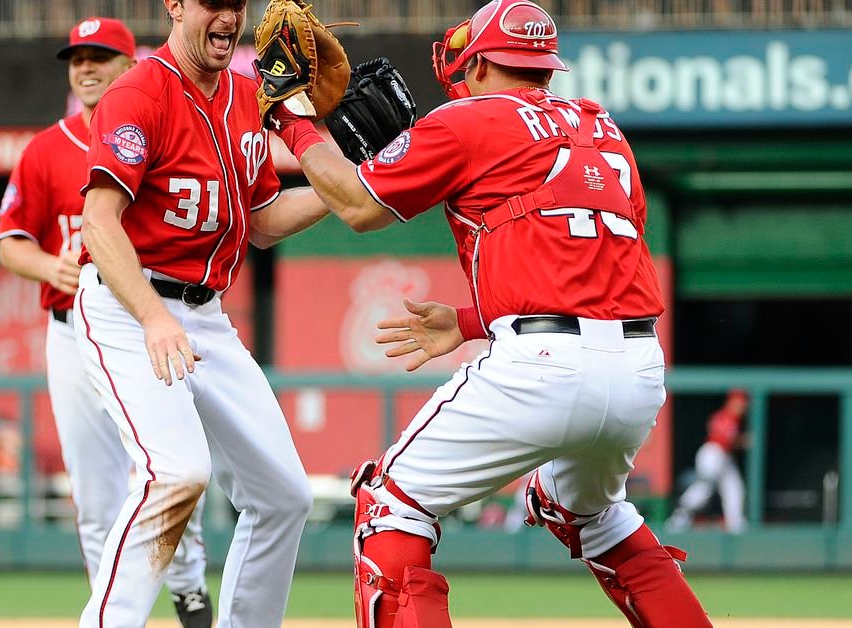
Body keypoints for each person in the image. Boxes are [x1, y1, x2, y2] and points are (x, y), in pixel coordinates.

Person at [261, 1, 713, 625]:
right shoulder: (601, 127)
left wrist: (292, 119)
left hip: (543, 365)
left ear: (476, 65)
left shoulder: (469, 119)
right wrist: (473, 322)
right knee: (593, 517)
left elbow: (358, 208)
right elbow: (597, 257)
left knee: (391, 505)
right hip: (637, 368)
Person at [71, 1, 334, 626]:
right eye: (211, 4)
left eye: (236, 5)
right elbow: (99, 222)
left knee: (284, 495)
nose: (228, 16)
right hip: (126, 307)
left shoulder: (247, 97)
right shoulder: (138, 92)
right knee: (177, 472)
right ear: (175, 6)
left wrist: (346, 180)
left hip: (205, 314)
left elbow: (264, 223)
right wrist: (151, 319)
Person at [0, 17, 212, 627]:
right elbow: (10, 243)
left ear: (129, 66)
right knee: (94, 497)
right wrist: (48, 266)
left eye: (100, 56)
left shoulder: (154, 134)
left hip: (144, 327)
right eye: (77, 59)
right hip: (70, 331)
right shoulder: (45, 149)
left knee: (170, 471)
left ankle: (190, 591)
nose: (85, 68)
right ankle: (119, 614)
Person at [667, 389, 749, 534]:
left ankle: (736, 524)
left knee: (734, 488)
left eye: (743, 403)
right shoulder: (724, 416)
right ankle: (680, 516)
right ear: (732, 401)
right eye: (739, 402)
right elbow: (724, 440)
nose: (742, 406)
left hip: (723, 456)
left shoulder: (734, 419)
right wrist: (742, 441)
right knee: (704, 489)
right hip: (713, 453)